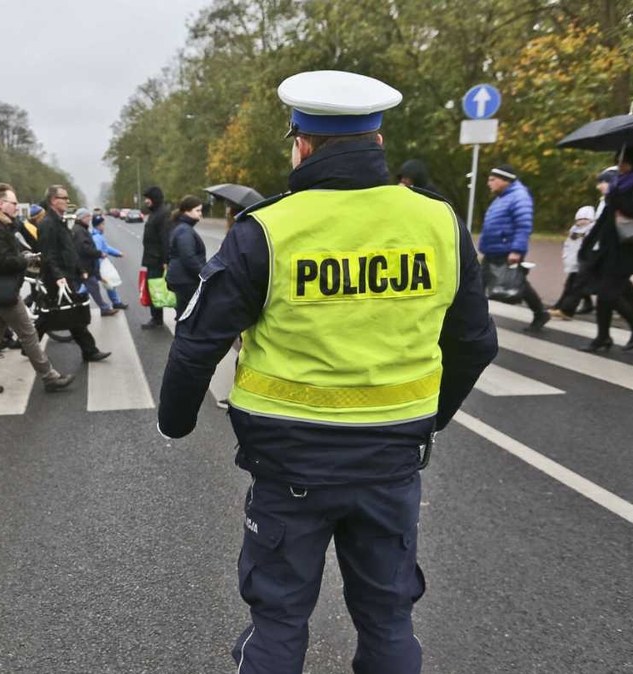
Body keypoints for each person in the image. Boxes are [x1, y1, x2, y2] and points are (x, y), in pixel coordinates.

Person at [158, 70, 497, 674]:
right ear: (379, 142)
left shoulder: (267, 229)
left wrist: (176, 423)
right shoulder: (439, 223)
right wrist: (427, 420)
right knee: (389, 618)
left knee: (279, 619)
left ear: (303, 144)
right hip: (392, 461)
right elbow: (474, 343)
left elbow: (196, 342)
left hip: (291, 463)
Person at [0, 183, 75, 395]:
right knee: (28, 334)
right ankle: (49, 377)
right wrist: (25, 260)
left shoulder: (1, 224)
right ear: (1, 204)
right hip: (2, 291)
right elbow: (2, 261)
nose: (17, 207)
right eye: (14, 203)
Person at [578, 145, 633, 352]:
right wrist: (588, 242)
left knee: (607, 294)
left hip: (629, 246)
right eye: (619, 162)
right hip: (609, 245)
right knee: (605, 293)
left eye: (624, 163)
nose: (620, 167)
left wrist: (618, 200)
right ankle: (604, 336)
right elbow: (606, 215)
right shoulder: (619, 182)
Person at [36, 185, 110, 361]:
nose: (68, 201)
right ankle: (89, 350)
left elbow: (68, 249)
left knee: (55, 315)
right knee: (63, 315)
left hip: (65, 274)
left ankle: (89, 350)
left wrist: (80, 269)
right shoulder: (48, 224)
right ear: (54, 200)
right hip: (57, 277)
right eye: (65, 198)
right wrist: (59, 276)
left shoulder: (59, 221)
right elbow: (48, 255)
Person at [479, 163, 550, 331]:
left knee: (517, 284)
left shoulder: (519, 196)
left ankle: (540, 312)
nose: (489, 183)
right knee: (481, 283)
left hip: (506, 250)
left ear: (505, 180)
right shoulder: (503, 196)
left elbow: (523, 225)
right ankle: (475, 318)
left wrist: (517, 250)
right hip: (495, 249)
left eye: (493, 179)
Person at [549, 206, 597, 320]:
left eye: (585, 219)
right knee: (573, 285)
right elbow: (569, 246)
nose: (582, 221)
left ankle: (566, 309)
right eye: (580, 219)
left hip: (585, 262)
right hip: (575, 261)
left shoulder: (592, 231)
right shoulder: (574, 231)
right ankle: (563, 306)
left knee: (575, 286)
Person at [165, 195, 207, 313]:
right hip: (185, 281)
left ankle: (183, 331)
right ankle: (183, 332)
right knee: (188, 316)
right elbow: (188, 257)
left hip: (182, 279)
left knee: (184, 314)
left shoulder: (183, 227)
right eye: (197, 210)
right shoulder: (184, 230)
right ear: (187, 211)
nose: (200, 213)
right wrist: (203, 275)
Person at [139, 185, 173, 329]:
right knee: (155, 288)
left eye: (148, 198)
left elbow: (165, 239)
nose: (146, 201)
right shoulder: (156, 213)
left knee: (156, 288)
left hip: (157, 260)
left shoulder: (162, 214)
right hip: (153, 258)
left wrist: (166, 260)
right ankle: (157, 317)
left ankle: (156, 319)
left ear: (155, 199)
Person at [71, 207, 115, 316]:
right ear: (82, 218)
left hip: (79, 265)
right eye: (87, 217)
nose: (89, 219)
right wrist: (99, 253)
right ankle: (104, 308)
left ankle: (75, 309)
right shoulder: (80, 231)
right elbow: (84, 248)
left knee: (77, 289)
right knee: (93, 287)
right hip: (84, 266)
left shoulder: (79, 229)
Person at [90, 215, 129, 310]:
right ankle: (114, 303)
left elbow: (106, 248)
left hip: (101, 263)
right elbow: (98, 252)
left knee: (109, 283)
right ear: (98, 225)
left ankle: (116, 302)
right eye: (103, 224)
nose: (104, 226)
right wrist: (98, 269)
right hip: (101, 264)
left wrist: (117, 253)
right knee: (103, 283)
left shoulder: (97, 236)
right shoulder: (97, 238)